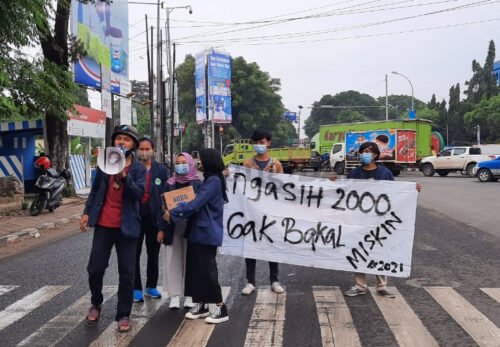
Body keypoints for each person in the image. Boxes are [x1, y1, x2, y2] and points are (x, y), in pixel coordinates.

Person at [331, 141, 421, 298]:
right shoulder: (354, 174)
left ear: (376, 154)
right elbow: (345, 193)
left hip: (379, 220)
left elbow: (396, 194)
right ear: (360, 153)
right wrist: (330, 185)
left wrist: (413, 190)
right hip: (358, 220)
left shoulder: (385, 174)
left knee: (380, 250)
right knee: (359, 249)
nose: (367, 154)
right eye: (364, 151)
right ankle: (360, 285)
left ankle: (382, 285)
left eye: (370, 151)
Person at [79, 124, 146, 332]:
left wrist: (125, 177)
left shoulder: (138, 168)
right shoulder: (103, 165)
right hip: (104, 225)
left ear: (133, 145)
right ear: (113, 142)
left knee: (127, 273)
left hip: (127, 228)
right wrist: (86, 212)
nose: (122, 142)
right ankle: (96, 301)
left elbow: (139, 195)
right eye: (119, 139)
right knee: (95, 268)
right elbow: (96, 190)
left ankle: (123, 314)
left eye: (126, 140)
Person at [162, 148, 229, 324]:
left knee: (207, 271)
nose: (199, 163)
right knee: (197, 270)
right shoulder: (210, 180)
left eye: (201, 160)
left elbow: (195, 203)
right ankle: (202, 304)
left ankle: (221, 307)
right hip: (198, 231)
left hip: (206, 232)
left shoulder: (213, 181)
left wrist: (173, 213)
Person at [241, 128, 285, 295]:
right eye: (256, 143)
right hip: (251, 213)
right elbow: (241, 187)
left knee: (271, 246)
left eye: (262, 142)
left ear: (268, 143)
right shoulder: (247, 164)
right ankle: (250, 281)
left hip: (271, 213)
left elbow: (283, 188)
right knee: (250, 246)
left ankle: (274, 280)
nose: (259, 146)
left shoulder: (276, 165)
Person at [157, 153, 201, 309]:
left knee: (191, 260)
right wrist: (161, 229)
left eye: (184, 162)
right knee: (172, 260)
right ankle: (175, 295)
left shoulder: (197, 184)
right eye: (177, 162)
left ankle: (190, 294)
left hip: (191, 226)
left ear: (190, 164)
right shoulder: (169, 184)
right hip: (172, 227)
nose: (181, 165)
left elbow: (200, 205)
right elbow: (161, 207)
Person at [133, 138, 169, 302]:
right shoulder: (131, 168)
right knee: (134, 253)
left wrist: (162, 224)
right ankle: (135, 288)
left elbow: (165, 196)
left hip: (154, 218)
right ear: (137, 150)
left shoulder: (161, 170)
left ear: (154, 151)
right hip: (135, 216)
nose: (145, 151)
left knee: (153, 253)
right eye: (141, 148)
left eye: (148, 148)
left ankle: (151, 286)